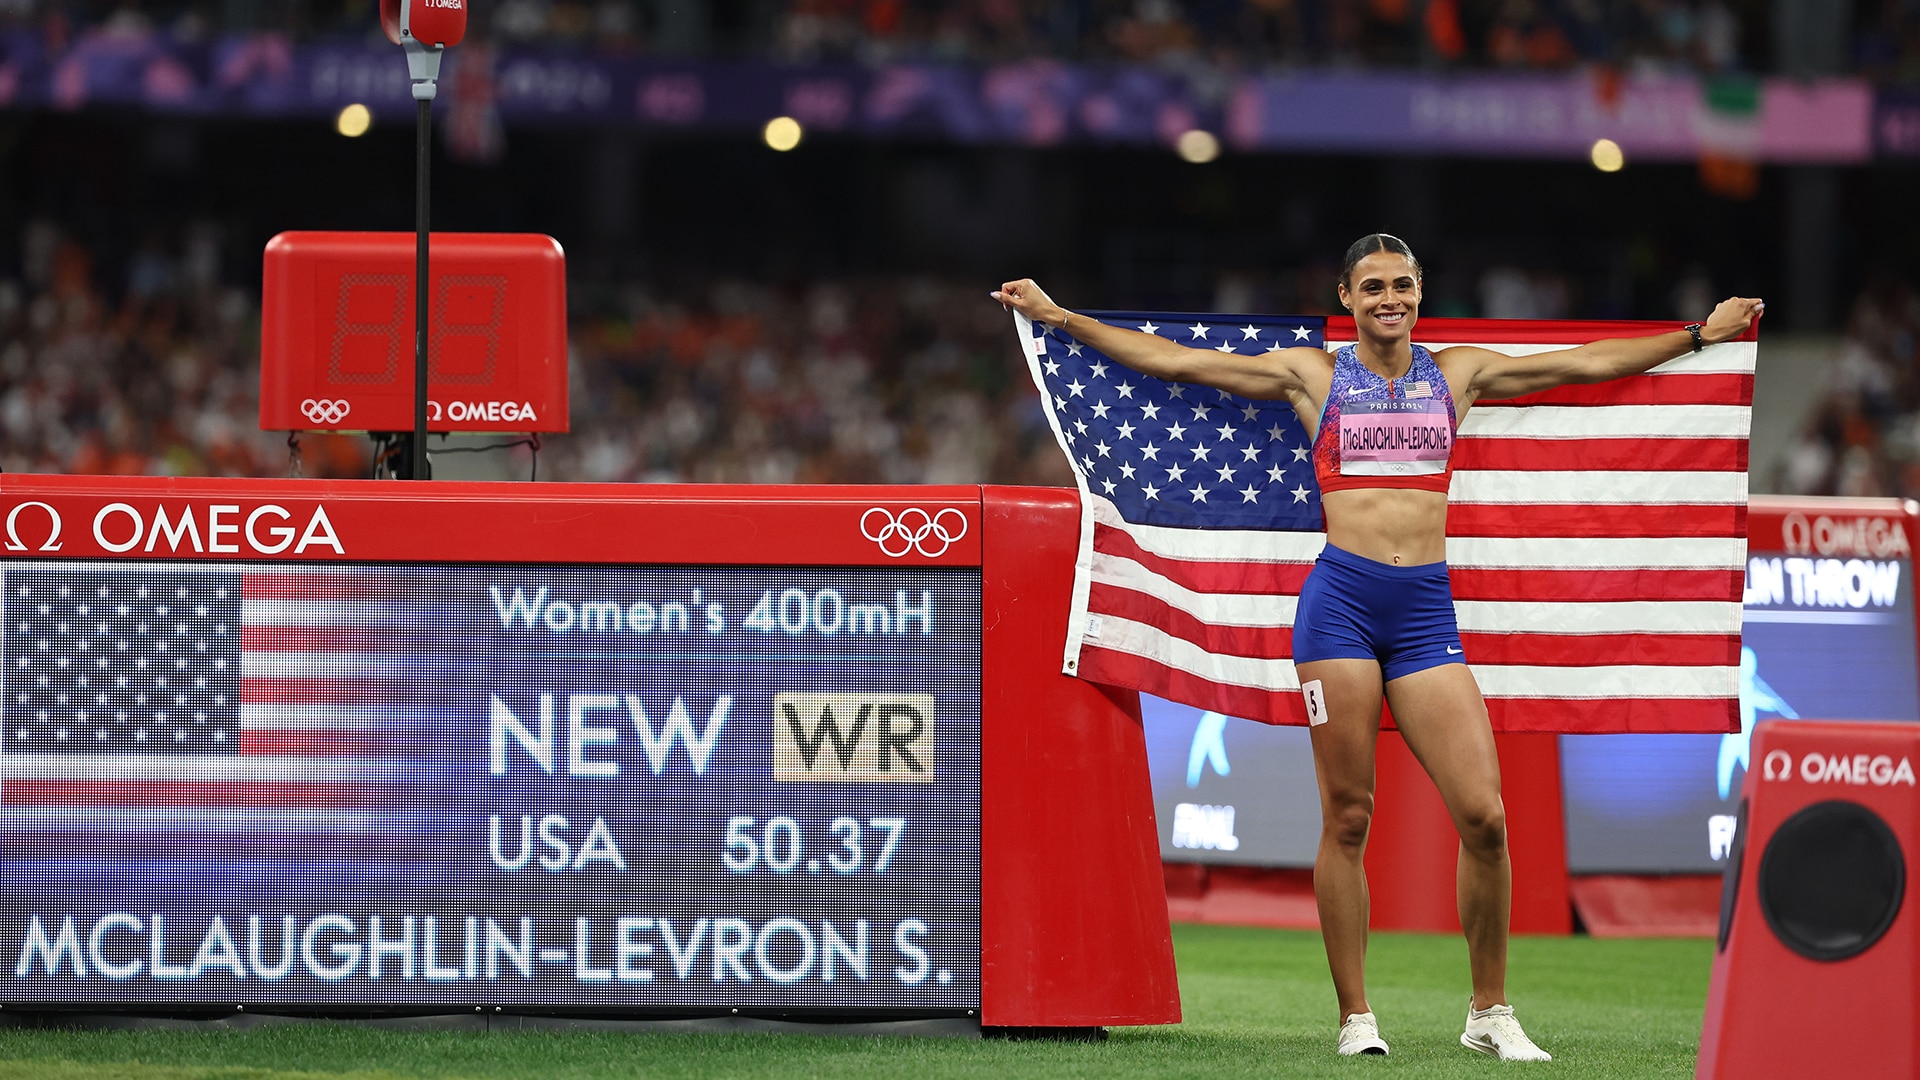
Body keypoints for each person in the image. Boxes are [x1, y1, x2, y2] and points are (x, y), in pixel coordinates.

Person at [992, 234, 1763, 1061]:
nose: (1388, 298)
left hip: (1426, 613)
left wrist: (1698, 336)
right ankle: (1356, 1017)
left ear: (1419, 292)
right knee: (1349, 816)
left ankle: (1490, 1012)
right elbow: (1176, 363)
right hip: (1341, 611)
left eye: (1401, 284)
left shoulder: (1458, 373)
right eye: (1372, 287)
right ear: (1347, 298)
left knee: (1486, 818)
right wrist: (1060, 316)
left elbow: (1583, 364)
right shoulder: (1312, 375)